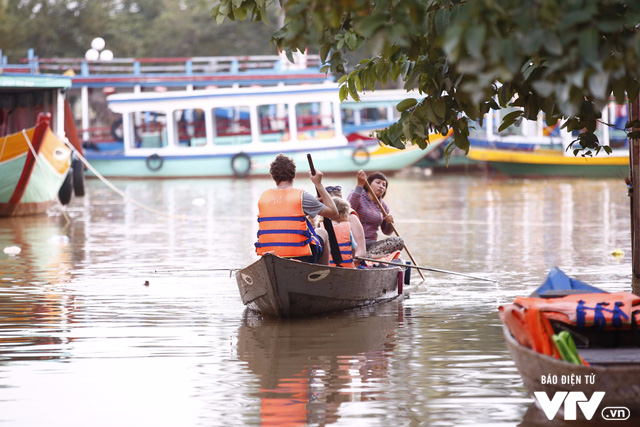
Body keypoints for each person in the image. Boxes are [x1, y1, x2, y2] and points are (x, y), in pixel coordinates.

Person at [255, 153, 339, 265]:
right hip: (301, 257)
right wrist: (318, 184)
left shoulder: (263, 197)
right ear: (294, 175)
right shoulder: (302, 196)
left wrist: (311, 204)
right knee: (322, 232)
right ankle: (322, 273)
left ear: (273, 177)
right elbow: (334, 213)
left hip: (271, 256)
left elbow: (283, 212)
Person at [347, 170, 404, 256]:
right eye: (378, 183)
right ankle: (366, 256)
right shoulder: (356, 194)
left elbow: (386, 232)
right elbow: (349, 210)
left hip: (371, 245)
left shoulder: (383, 206)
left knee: (399, 241)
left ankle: (369, 256)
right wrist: (359, 185)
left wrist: (390, 223)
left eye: (384, 185)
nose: (381, 186)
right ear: (369, 184)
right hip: (353, 242)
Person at [325, 185, 367, 266]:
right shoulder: (319, 218)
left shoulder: (352, 217)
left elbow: (361, 252)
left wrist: (347, 260)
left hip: (346, 264)